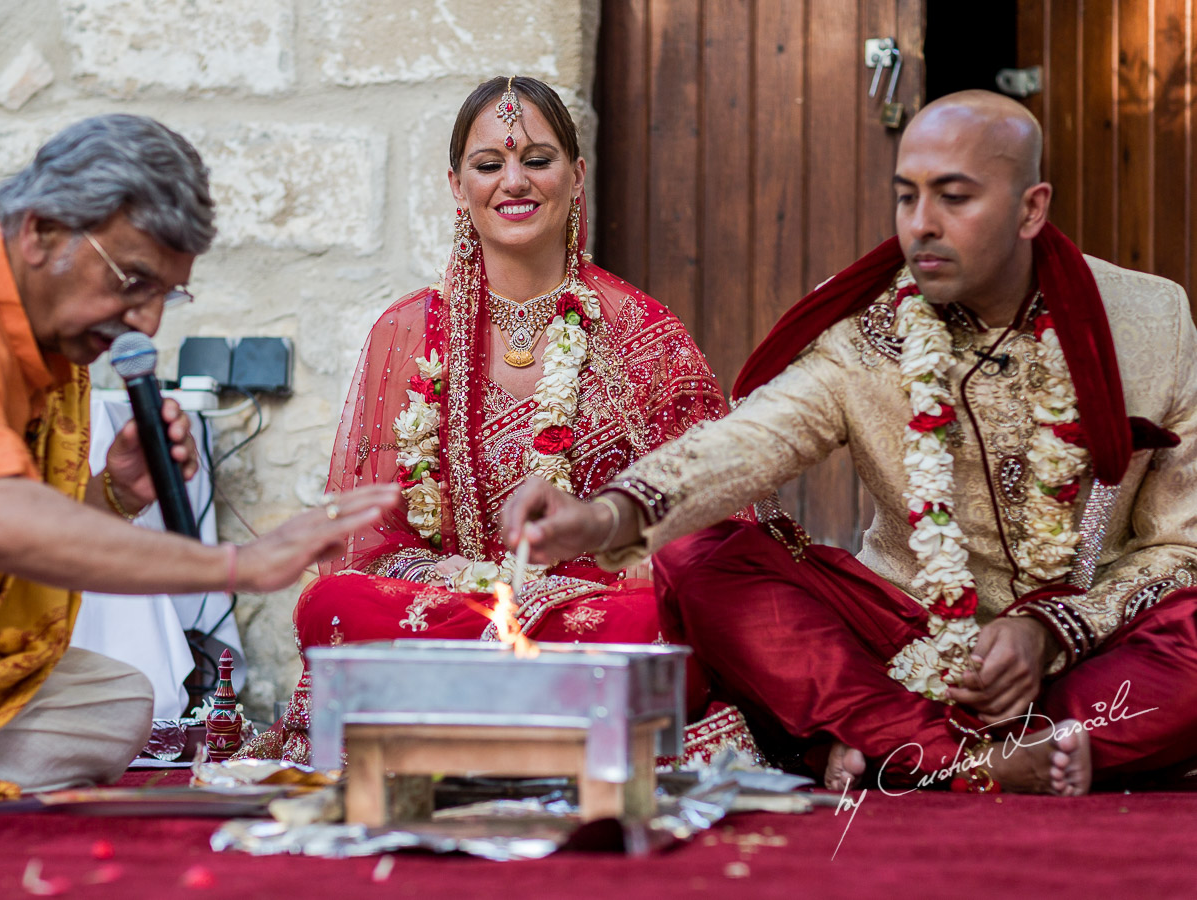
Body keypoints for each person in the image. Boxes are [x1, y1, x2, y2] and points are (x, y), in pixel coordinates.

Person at [502, 90, 1197, 796]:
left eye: (953, 198)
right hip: (902, 638)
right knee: (700, 561)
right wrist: (607, 515)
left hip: (1091, 649)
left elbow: (1183, 543)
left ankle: (905, 746)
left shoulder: (1150, 319)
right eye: (906, 197)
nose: (920, 225)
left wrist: (1050, 630)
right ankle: (982, 760)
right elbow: (749, 441)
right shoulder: (867, 332)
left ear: (1030, 208)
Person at [0, 114, 399, 801]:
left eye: (164, 293)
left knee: (115, 700)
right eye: (131, 279)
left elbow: (2, 553)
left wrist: (116, 494)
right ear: (43, 230)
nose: (147, 322)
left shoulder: (47, 334)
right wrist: (236, 565)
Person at [237, 76, 755, 766]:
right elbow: (375, 538)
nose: (514, 182)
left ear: (577, 174)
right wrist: (478, 588)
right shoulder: (406, 331)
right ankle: (547, 711)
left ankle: (472, 710)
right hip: (450, 605)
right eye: (490, 165)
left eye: (537, 160)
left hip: (597, 616)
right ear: (458, 186)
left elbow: (708, 520)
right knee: (335, 602)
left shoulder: (645, 333)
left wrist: (563, 590)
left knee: (666, 619)